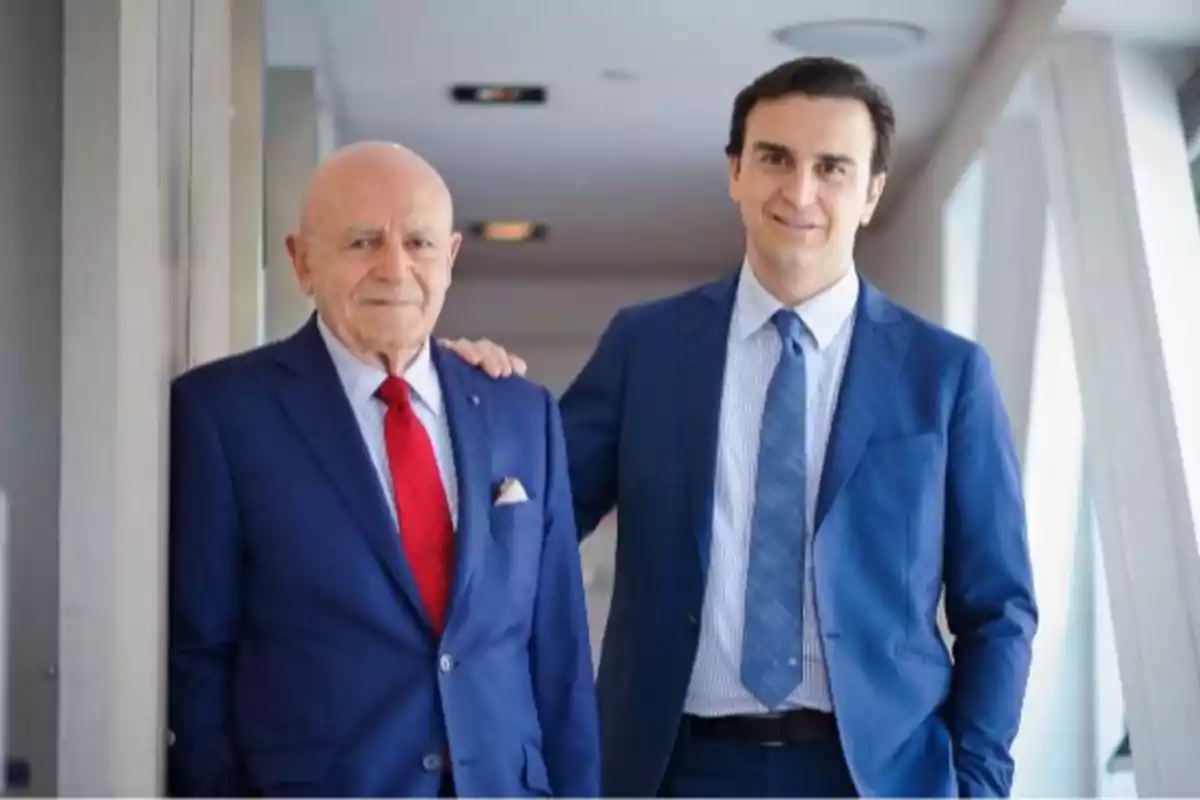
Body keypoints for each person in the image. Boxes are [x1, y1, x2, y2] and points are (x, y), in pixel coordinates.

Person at [444, 56, 1038, 797]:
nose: (800, 191)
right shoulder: (647, 348)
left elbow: (999, 609)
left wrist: (978, 782)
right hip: (675, 768)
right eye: (775, 159)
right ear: (735, 172)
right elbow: (531, 517)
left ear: (871, 193)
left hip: (879, 776)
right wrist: (465, 403)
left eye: (832, 168)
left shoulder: (946, 375)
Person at [167, 142, 600, 798]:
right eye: (364, 242)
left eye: (419, 243)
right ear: (302, 260)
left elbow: (559, 657)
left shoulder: (522, 413)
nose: (395, 269)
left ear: (451, 259)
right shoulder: (223, 415)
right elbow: (199, 656)